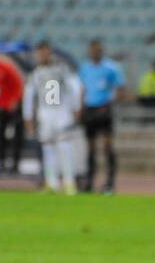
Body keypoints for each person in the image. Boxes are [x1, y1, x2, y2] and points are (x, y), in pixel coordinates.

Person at [24, 40, 83, 195]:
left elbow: (75, 87)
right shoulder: (35, 74)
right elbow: (29, 97)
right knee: (48, 149)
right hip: (45, 114)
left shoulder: (61, 69)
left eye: (45, 52)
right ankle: (52, 183)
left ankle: (69, 183)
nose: (42, 55)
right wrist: (28, 118)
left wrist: (76, 107)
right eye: (39, 52)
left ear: (49, 52)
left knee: (64, 147)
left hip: (61, 113)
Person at [77, 40, 127, 194]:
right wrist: (81, 109)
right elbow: (82, 89)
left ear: (102, 51)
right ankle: (89, 182)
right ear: (89, 51)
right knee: (90, 148)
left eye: (98, 50)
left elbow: (121, 89)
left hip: (104, 110)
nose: (95, 52)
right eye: (93, 50)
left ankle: (110, 183)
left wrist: (110, 102)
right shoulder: (84, 68)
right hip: (90, 110)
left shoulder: (111, 68)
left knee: (108, 147)